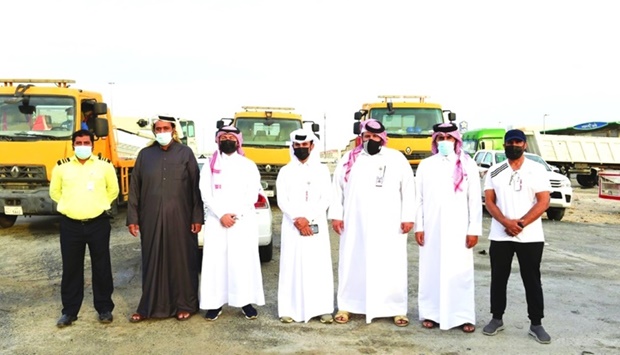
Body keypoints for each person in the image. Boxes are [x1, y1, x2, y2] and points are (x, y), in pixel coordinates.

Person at [328, 119, 416, 327]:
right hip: (354, 223)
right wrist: (336, 215)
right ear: (361, 137)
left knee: (391, 265)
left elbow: (408, 189)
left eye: (375, 137)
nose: (371, 140)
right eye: (367, 137)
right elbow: (337, 189)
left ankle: (395, 308)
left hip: (389, 224)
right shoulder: (349, 159)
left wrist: (408, 217)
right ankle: (348, 305)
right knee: (352, 262)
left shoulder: (396, 159)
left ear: (382, 138)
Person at [126, 116, 204, 322]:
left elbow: (196, 187)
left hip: (181, 216)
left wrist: (197, 217)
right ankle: (148, 307)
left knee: (181, 261)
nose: (161, 132)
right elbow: (134, 188)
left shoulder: (185, 153)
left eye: (165, 128)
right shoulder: (145, 155)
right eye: (158, 129)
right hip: (150, 217)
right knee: (152, 260)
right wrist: (132, 218)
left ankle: (184, 305)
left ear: (173, 130)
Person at [481, 129, 552, 344]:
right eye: (510, 142)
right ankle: (496, 318)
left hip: (530, 235)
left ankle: (536, 323)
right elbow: (490, 202)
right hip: (501, 234)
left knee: (532, 279)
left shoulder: (537, 169)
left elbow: (543, 201)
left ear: (525, 145)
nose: (514, 145)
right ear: (504, 145)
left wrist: (521, 223)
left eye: (518, 142)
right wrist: (506, 222)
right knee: (498, 278)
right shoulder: (495, 170)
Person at [414, 123, 482, 333]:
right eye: (440, 138)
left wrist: (474, 229)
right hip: (432, 228)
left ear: (456, 140)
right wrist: (419, 226)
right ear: (435, 141)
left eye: (449, 138)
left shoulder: (467, 164)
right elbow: (419, 199)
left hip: (459, 229)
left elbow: (474, 200)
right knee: (431, 271)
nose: (445, 141)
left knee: (460, 272)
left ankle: (463, 315)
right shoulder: (426, 165)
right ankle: (431, 314)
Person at [49, 129, 120, 328]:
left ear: (92, 145)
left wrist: (99, 204)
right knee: (71, 268)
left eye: (86, 142)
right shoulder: (62, 167)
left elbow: (113, 190)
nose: (82, 146)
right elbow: (55, 192)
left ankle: (105, 308)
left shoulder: (104, 166)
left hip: (98, 223)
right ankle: (69, 312)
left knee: (102, 266)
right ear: (73, 145)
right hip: (70, 224)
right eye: (78, 142)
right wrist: (70, 205)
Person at [199, 125, 265, 321]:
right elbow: (205, 193)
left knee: (241, 261)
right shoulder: (209, 166)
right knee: (215, 263)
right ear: (218, 140)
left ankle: (244, 302)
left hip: (242, 222)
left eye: (231, 136)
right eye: (223, 136)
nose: (227, 139)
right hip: (216, 220)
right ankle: (214, 303)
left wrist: (235, 215)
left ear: (238, 141)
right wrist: (221, 214)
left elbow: (253, 193)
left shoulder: (248, 165)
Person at [276, 129, 334, 324]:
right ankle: (289, 309)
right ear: (293, 147)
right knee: (290, 265)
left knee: (318, 265)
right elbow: (282, 199)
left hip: (315, 224)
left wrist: (306, 218)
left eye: (304, 145)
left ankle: (322, 308)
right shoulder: (285, 171)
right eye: (297, 145)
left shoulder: (322, 170)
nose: (301, 148)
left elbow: (326, 198)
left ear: (312, 146)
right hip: (292, 225)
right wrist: (297, 219)